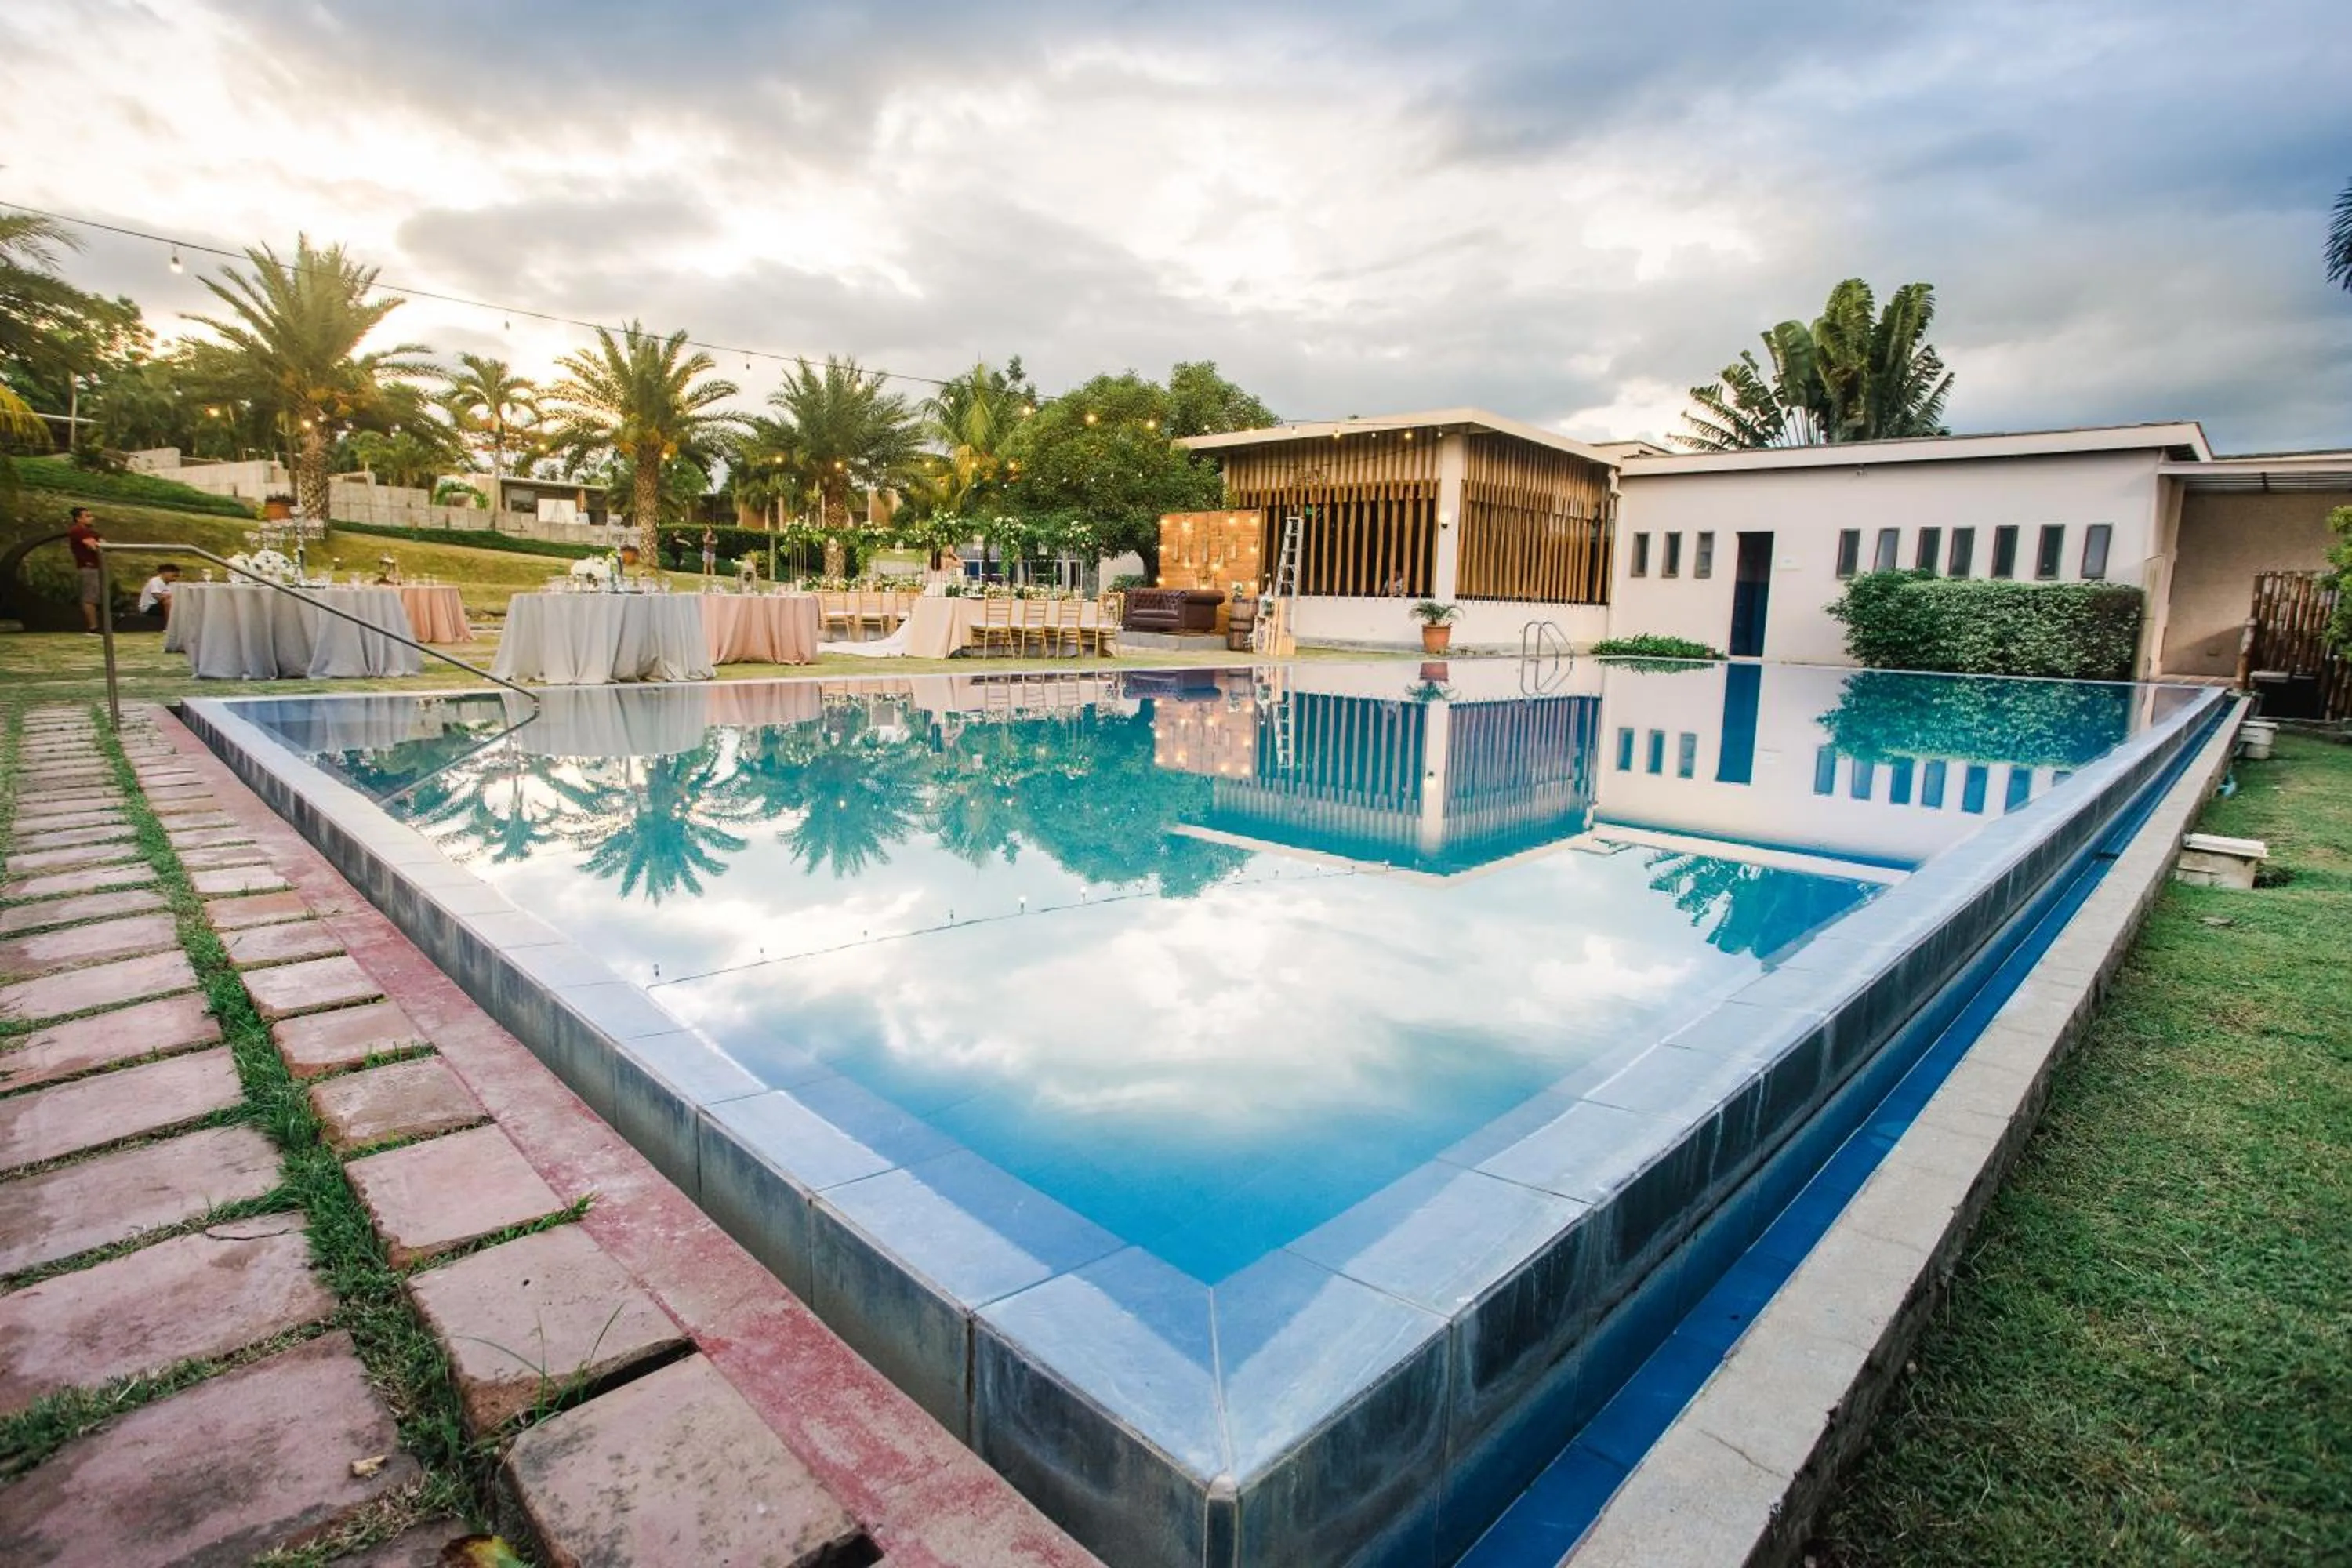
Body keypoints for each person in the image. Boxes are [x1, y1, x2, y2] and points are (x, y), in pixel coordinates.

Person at [66, 507, 103, 632]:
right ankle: (93, 628)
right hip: (88, 567)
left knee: (96, 597)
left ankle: (98, 625)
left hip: (97, 567)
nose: (91, 518)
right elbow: (94, 546)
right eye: (87, 516)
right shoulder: (77, 530)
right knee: (90, 598)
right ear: (78, 518)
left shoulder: (92, 532)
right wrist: (97, 544)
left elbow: (103, 544)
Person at [136, 563, 181, 627]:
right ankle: (169, 626)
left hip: (160, 606)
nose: (175, 579)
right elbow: (157, 597)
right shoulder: (155, 581)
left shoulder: (171, 584)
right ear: (165, 573)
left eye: (177, 577)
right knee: (168, 602)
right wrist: (170, 596)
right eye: (174, 576)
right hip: (149, 607)